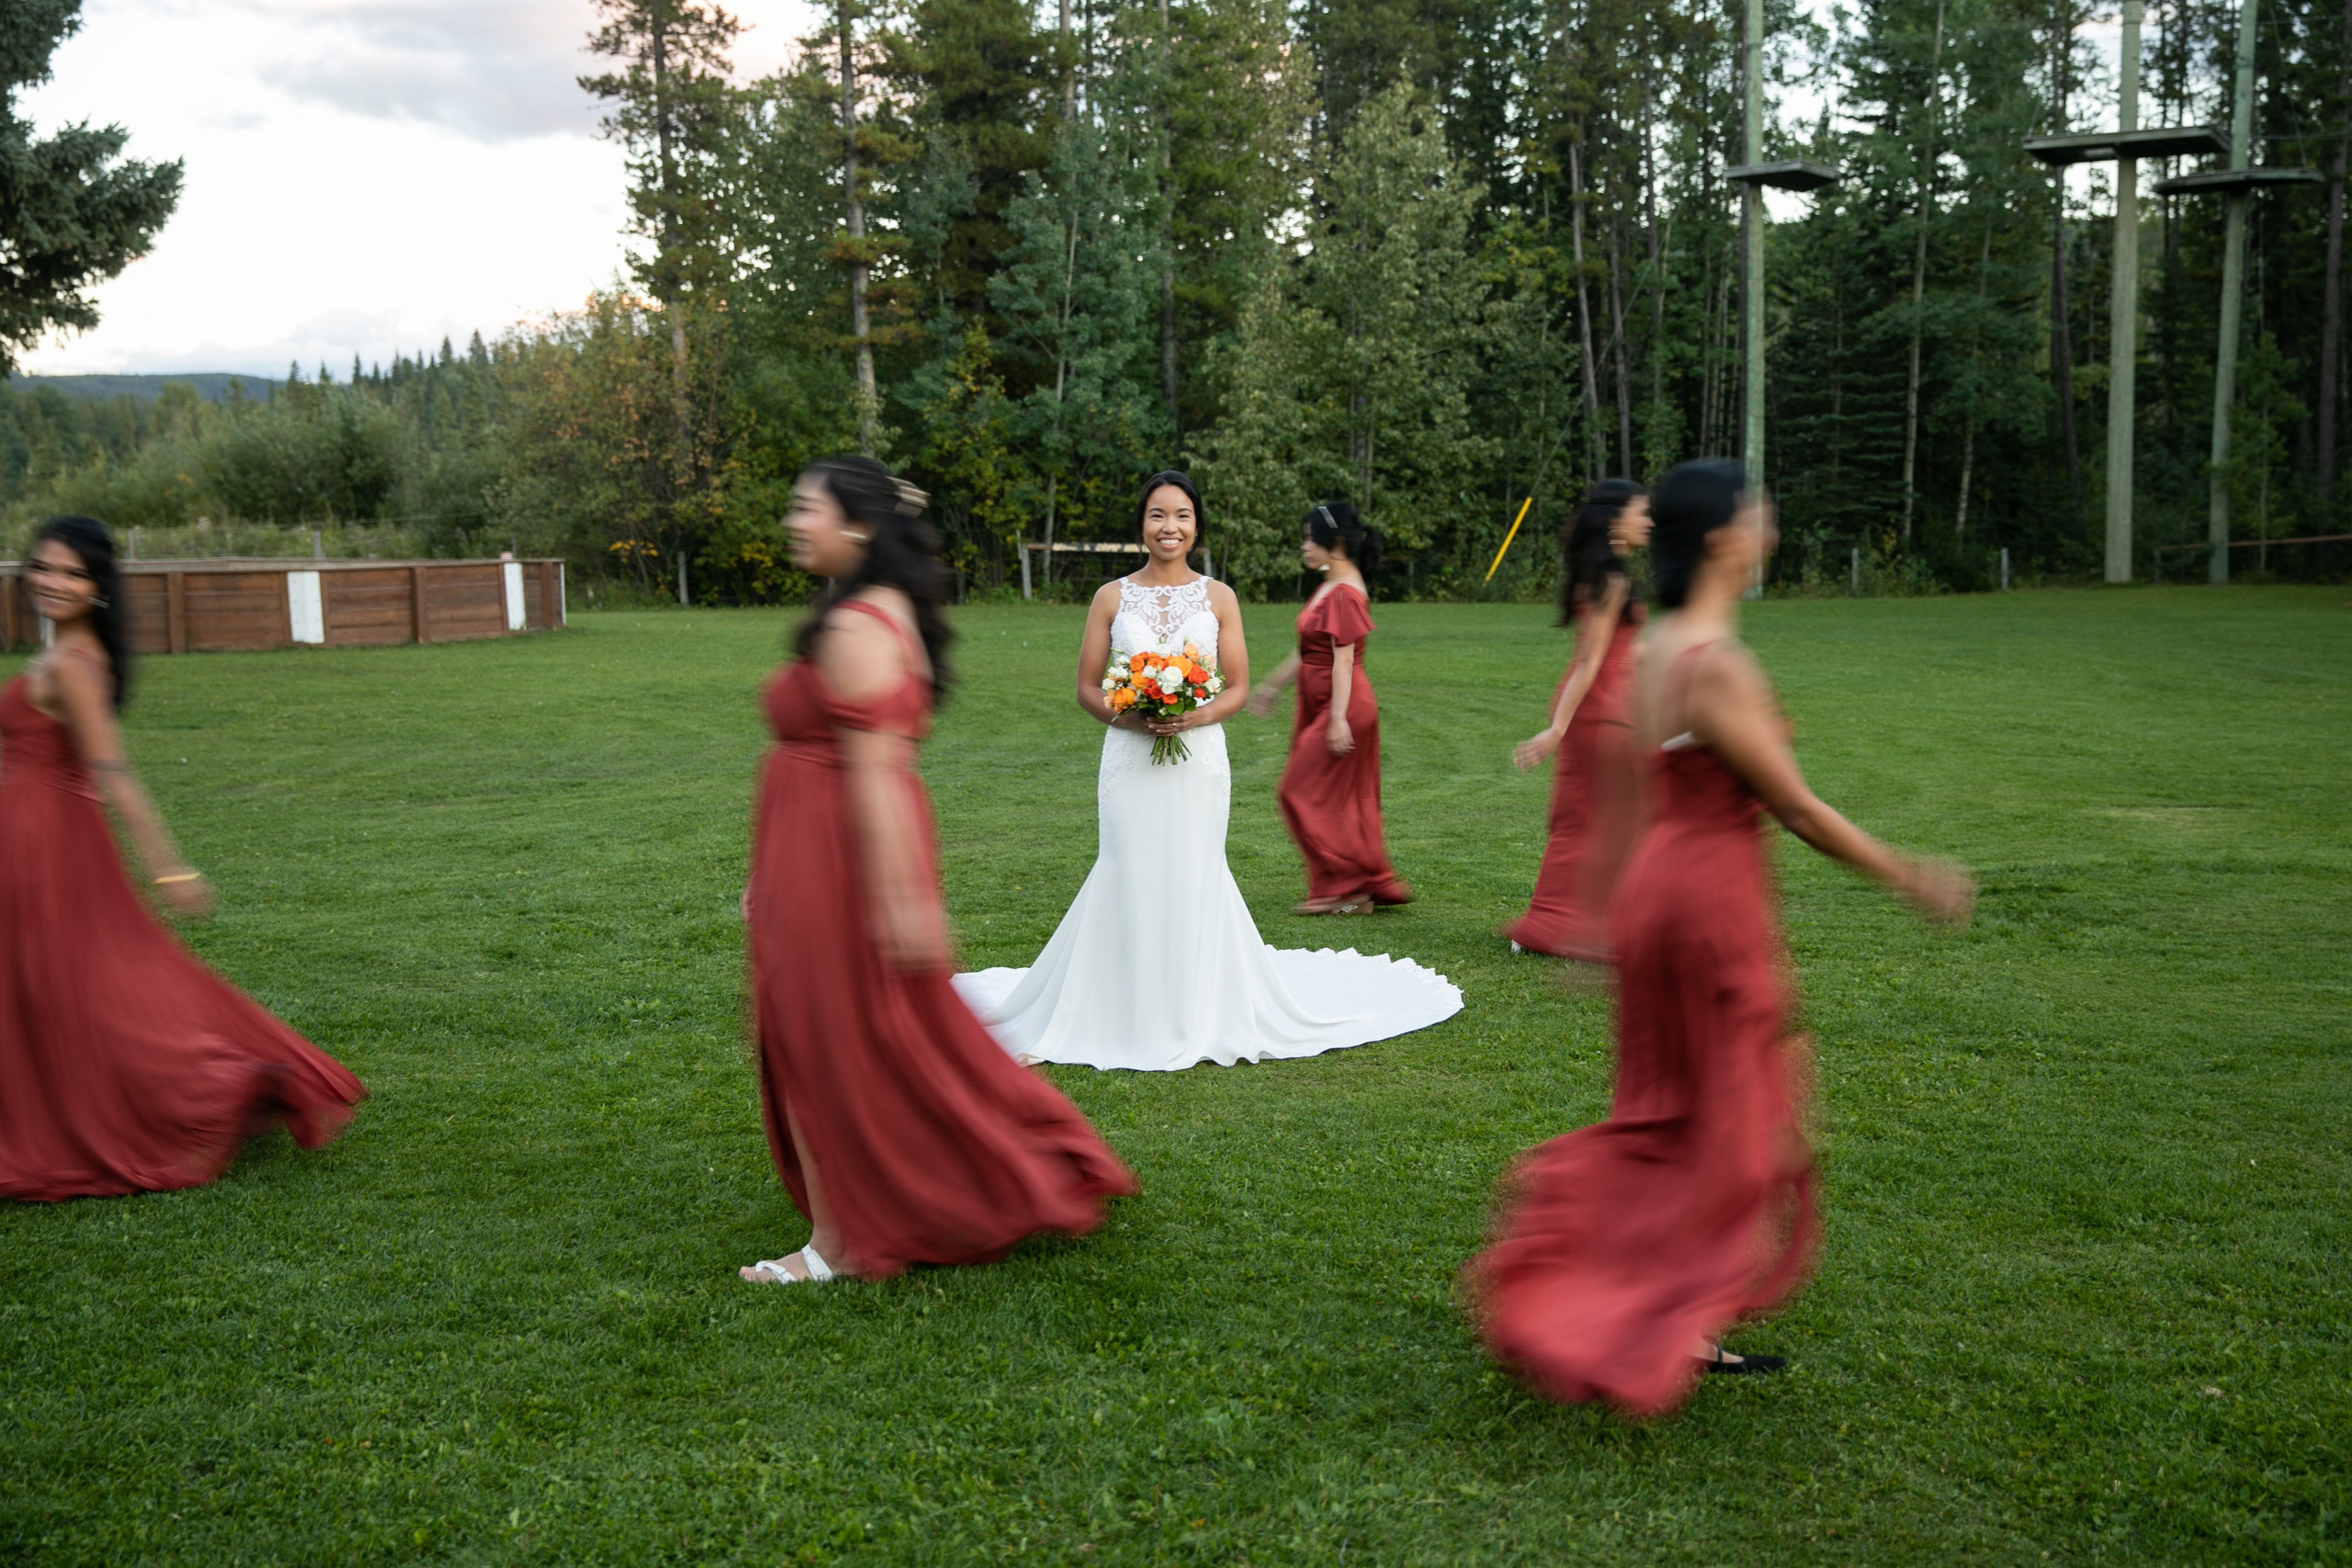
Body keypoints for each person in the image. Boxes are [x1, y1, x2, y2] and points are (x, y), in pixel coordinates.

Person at [1464, 461, 1973, 1416]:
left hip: (1661, 896)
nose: (1768, 529)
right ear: (1719, 540)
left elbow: (1623, 793)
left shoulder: (1655, 649)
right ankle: (1610, 1284)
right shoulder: (1712, 663)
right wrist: (1913, 875)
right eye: (1756, 514)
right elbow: (1798, 811)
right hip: (1707, 902)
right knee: (1738, 1121)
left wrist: (1606, 920)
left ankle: (1668, 1307)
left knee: (1689, 1107)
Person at [740, 458, 1136, 1284]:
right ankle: (930, 1189)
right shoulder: (870, 610)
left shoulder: (856, 627)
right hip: (812, 852)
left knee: (826, 1037)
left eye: (805, 507)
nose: (793, 521)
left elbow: (880, 772)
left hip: (838, 857)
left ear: (857, 526)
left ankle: (843, 1246)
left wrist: (898, 900)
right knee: (871, 1035)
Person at [953, 473, 1460, 1072]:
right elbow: (1086, 687)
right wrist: (1130, 714)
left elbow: (1238, 687)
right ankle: (1118, 1001)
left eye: (1183, 515)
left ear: (1198, 526)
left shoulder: (1218, 597)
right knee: (1127, 862)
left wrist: (1190, 715)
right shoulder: (1110, 598)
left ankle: (1197, 1001)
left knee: (1195, 864)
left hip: (1200, 758)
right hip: (1128, 753)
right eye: (1158, 515)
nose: (1170, 527)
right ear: (1141, 523)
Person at [0, 516, 366, 1201]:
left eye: (73, 572)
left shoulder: (75, 666)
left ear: (99, 589)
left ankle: (217, 1087)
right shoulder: (59, 654)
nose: (53, 581)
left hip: (46, 842)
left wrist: (168, 869)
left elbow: (116, 772)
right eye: (44, 567)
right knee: (52, 979)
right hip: (27, 832)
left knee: (75, 979)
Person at [1503, 481, 1651, 960]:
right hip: (1601, 711)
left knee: (1592, 817)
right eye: (1640, 513)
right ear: (1615, 520)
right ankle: (1556, 925)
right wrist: (1558, 728)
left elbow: (1620, 651)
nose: (1648, 522)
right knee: (1594, 819)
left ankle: (1573, 921)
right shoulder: (1612, 582)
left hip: (1611, 707)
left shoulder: (1610, 577)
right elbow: (1591, 660)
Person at [1248, 502, 1412, 915]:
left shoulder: (1343, 591)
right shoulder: (1329, 584)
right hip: (1322, 700)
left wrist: (1338, 718)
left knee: (1297, 790)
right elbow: (1308, 649)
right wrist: (1272, 685)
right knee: (1331, 796)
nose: (1304, 546)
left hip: (1344, 705)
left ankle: (1347, 885)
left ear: (1335, 543)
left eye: (1310, 538)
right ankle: (1349, 890)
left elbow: (1343, 658)